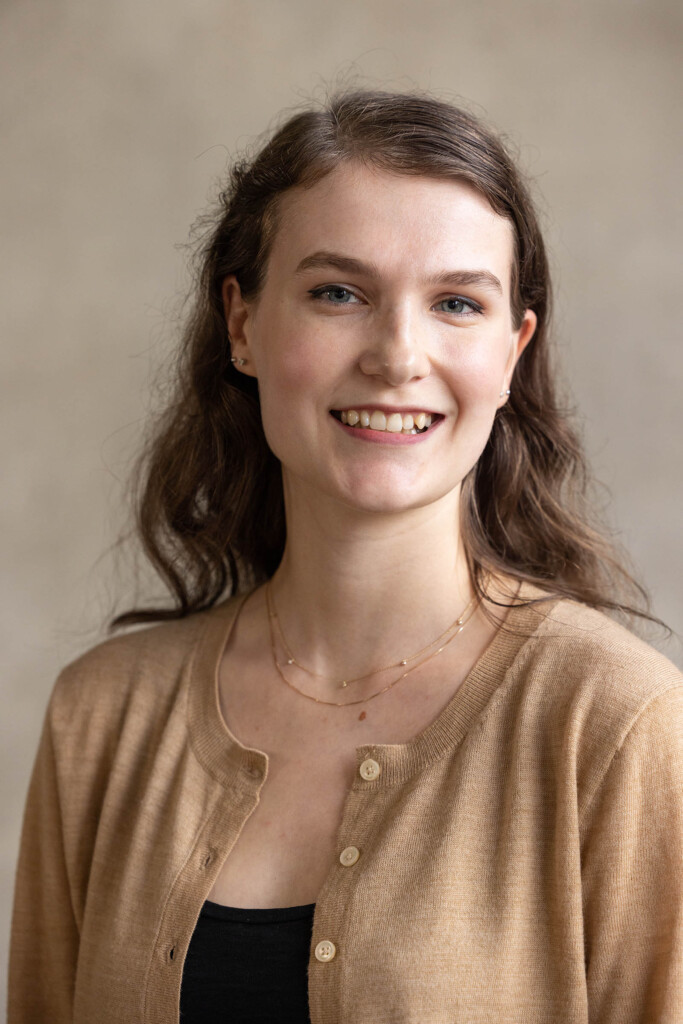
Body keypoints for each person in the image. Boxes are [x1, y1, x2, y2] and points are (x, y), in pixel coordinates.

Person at [8, 88, 683, 1024]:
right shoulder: (102, 719)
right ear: (242, 324)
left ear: (511, 353)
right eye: (338, 293)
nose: (398, 355)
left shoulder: (615, 724)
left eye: (456, 302)